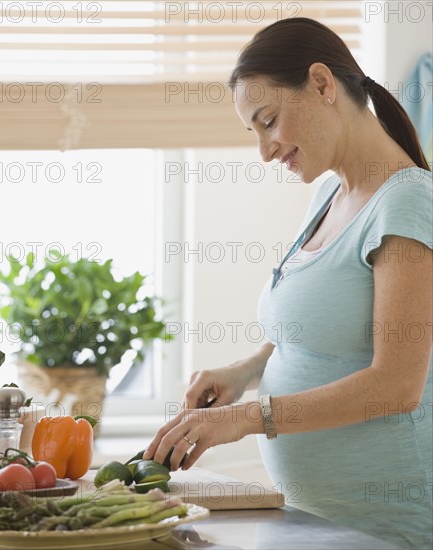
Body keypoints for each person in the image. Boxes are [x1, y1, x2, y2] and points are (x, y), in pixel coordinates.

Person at [143, 18, 432, 550]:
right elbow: (323, 325)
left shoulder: (407, 203)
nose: (265, 151)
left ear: (322, 85)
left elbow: (397, 386)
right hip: (314, 519)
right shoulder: (329, 197)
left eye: (268, 121)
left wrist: (245, 419)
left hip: (386, 527)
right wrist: (246, 370)